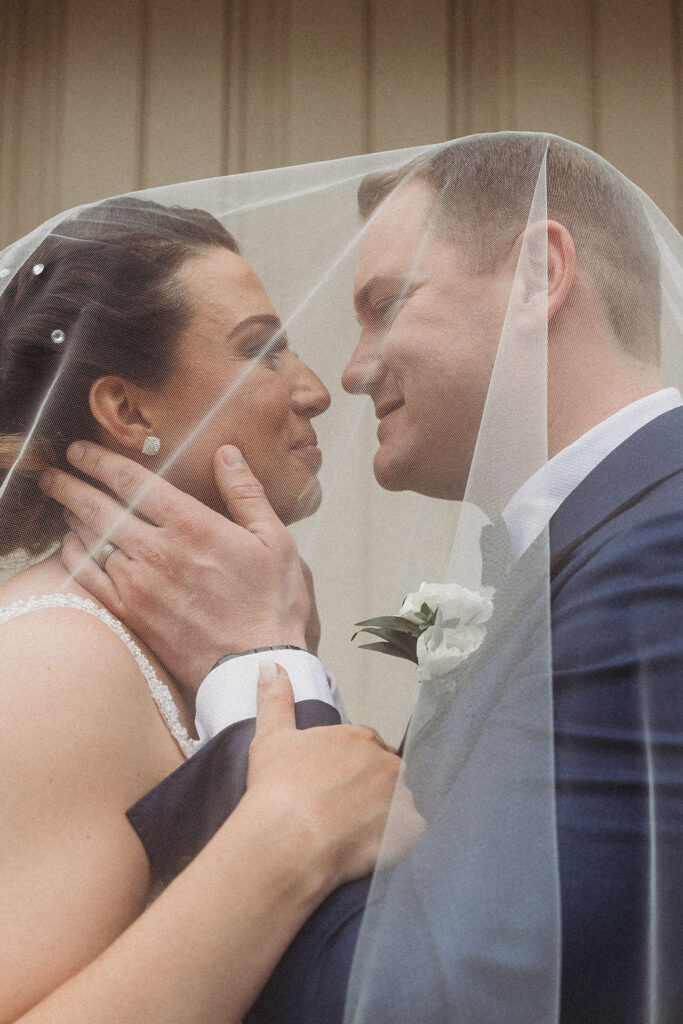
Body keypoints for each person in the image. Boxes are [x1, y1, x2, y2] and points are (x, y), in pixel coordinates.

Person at [45, 133, 683, 1022]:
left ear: (540, 274)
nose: (345, 373)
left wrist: (260, 667)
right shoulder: (610, 548)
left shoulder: (660, 553)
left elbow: (417, 995)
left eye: (386, 305)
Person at [0, 197, 403, 1022]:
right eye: (262, 352)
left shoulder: (189, 639)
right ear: (128, 411)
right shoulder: (60, 662)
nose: (316, 391)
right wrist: (286, 838)